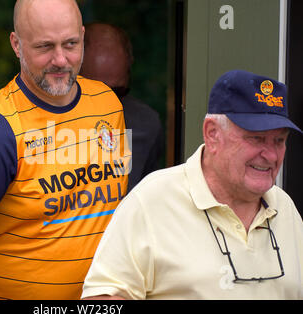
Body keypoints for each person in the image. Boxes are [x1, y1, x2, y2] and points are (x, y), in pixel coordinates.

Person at [0, 0, 129, 300]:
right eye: (45, 47)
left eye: (70, 44)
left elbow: (110, 211)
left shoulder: (108, 104)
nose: (60, 59)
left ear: (83, 37)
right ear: (17, 45)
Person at [81, 69, 303, 300]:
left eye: (279, 140)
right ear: (212, 133)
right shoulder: (152, 201)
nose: (270, 154)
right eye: (256, 138)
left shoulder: (284, 207)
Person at [79, 22, 164, 192]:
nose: (107, 103)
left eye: (117, 92)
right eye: (95, 92)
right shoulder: (45, 126)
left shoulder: (146, 125)